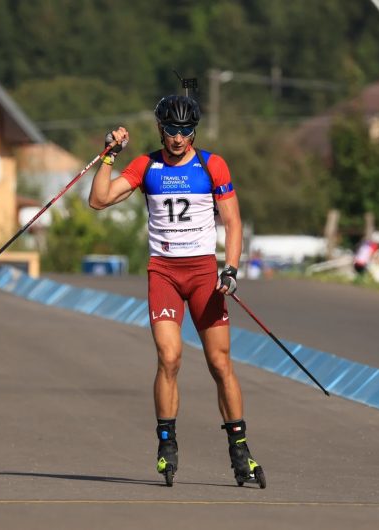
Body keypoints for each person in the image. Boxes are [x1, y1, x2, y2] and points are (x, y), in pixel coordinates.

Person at [88, 95, 265, 487]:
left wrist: (231, 269)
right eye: (172, 130)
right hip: (164, 273)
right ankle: (166, 445)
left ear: (194, 131)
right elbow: (98, 200)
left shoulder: (211, 165)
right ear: (160, 129)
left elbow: (233, 223)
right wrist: (108, 155)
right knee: (169, 357)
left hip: (204, 273)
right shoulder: (147, 165)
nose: (179, 138)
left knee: (220, 364)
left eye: (186, 131)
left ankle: (241, 452)